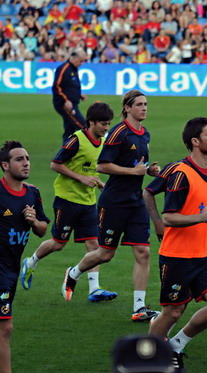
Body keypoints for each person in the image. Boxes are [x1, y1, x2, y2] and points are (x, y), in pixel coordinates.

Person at [62, 90, 161, 322]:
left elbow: (137, 166)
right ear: (127, 108)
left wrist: (148, 171)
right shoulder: (118, 133)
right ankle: (74, 272)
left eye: (146, 104)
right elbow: (103, 166)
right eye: (139, 104)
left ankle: (139, 308)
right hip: (113, 202)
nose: (144, 108)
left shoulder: (144, 134)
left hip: (135, 202)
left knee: (143, 252)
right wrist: (133, 171)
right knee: (105, 254)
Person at [148, 117, 207, 372]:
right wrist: (199, 217)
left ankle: (176, 344)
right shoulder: (181, 174)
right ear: (195, 142)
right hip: (176, 256)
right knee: (173, 313)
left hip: (204, 254)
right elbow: (169, 217)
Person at [20, 102, 118, 302]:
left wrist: (98, 182)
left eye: (108, 124)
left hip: (88, 201)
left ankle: (94, 289)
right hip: (67, 199)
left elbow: (90, 168)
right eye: (103, 124)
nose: (106, 128)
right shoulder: (76, 140)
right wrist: (81, 178)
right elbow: (55, 164)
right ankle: (30, 263)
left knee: (94, 245)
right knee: (58, 243)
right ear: (91, 122)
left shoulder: (104, 142)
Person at [0, 141, 49, 373]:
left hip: (11, 268)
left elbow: (42, 230)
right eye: (19, 159)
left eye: (27, 158)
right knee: (5, 328)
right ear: (5, 166)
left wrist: (32, 220)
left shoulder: (32, 193)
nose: (26, 162)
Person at [52, 48, 88, 141]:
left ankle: (66, 153)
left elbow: (69, 86)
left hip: (72, 103)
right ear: (74, 58)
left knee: (69, 132)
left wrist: (79, 95)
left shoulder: (73, 68)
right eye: (81, 61)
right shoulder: (64, 68)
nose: (82, 63)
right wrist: (66, 100)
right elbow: (57, 86)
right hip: (65, 105)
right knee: (83, 127)